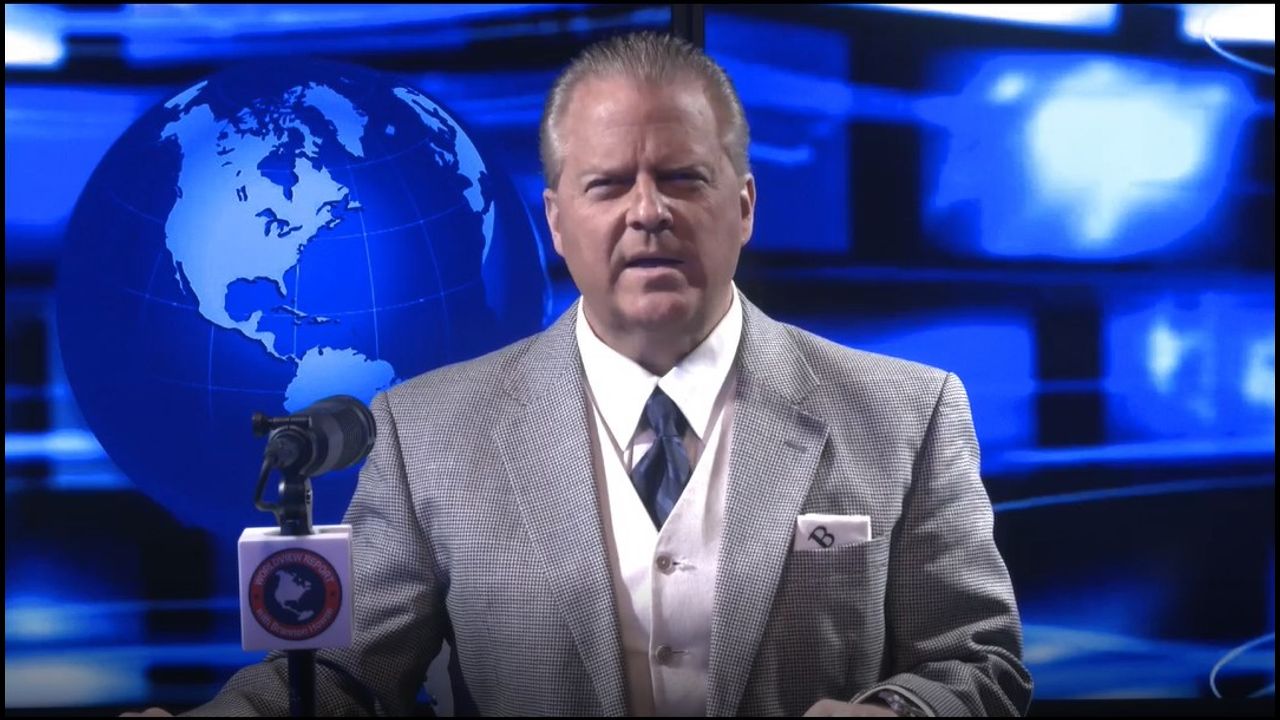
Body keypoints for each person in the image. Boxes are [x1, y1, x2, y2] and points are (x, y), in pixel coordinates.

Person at [137, 31, 1032, 717]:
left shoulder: (908, 414)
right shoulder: (426, 433)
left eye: (683, 178)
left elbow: (980, 664)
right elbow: (340, 677)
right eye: (609, 185)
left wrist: (898, 713)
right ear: (558, 222)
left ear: (745, 206)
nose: (649, 213)